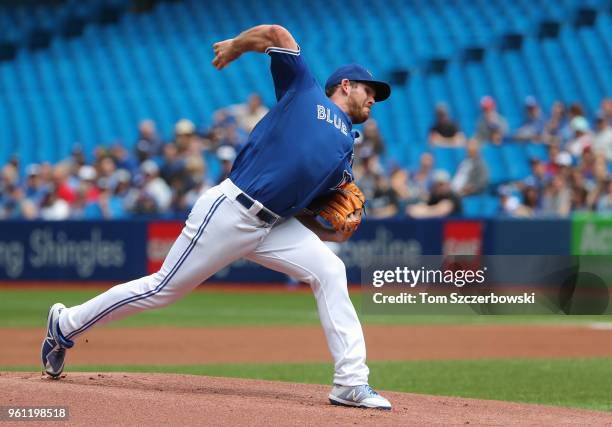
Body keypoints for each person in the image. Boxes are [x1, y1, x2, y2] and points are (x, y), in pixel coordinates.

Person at [41, 24, 392, 410]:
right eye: (368, 89)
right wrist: (239, 46)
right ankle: (64, 324)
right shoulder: (305, 92)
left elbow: (315, 212)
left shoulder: (346, 152)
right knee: (161, 291)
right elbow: (277, 33)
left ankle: (350, 382)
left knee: (330, 269)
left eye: (375, 94)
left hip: (274, 226)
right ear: (344, 85)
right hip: (231, 209)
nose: (373, 98)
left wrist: (333, 233)